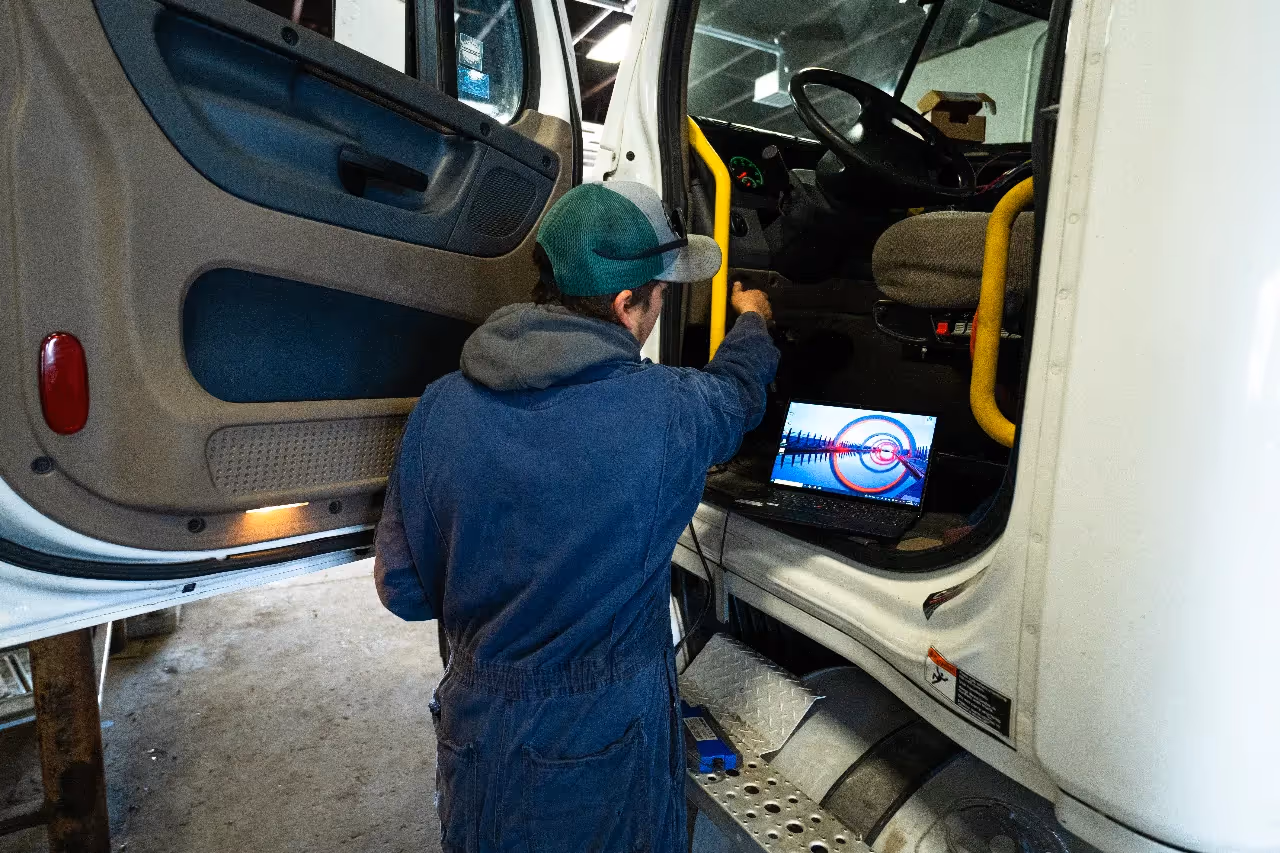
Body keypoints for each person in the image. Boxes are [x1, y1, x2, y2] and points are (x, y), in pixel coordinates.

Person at [372, 180, 778, 853]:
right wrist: (755, 319)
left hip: (474, 734)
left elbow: (404, 590)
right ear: (627, 304)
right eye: (659, 296)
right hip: (599, 751)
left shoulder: (439, 405)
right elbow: (739, 393)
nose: (657, 311)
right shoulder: (670, 411)